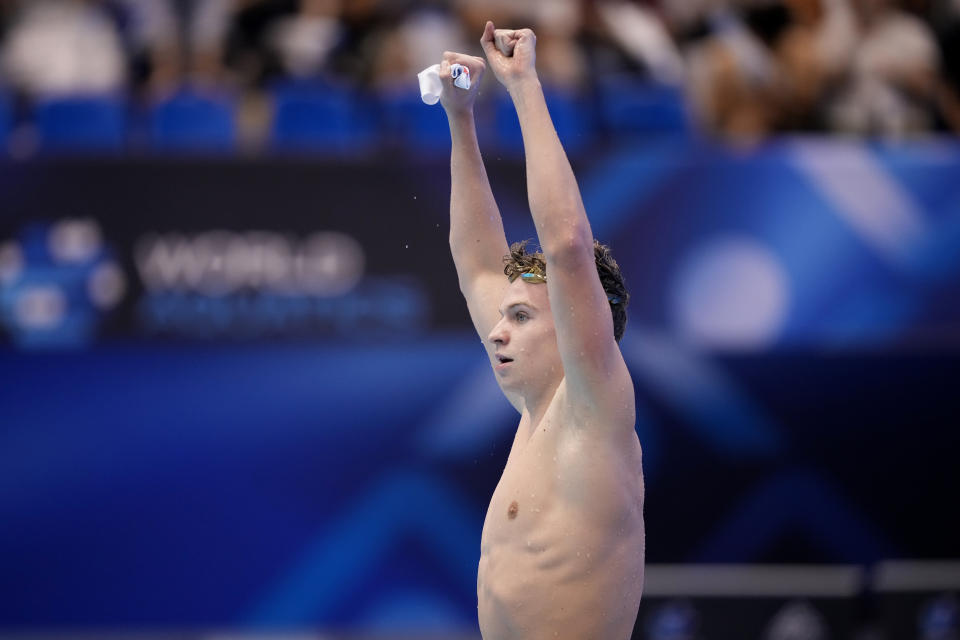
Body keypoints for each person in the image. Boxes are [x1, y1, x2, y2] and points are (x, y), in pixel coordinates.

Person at [436, 20, 645, 640]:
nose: (496, 332)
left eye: (520, 317)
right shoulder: (536, 413)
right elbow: (475, 262)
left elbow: (567, 244)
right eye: (504, 316)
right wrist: (461, 119)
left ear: (578, 327)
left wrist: (523, 84)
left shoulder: (594, 407)